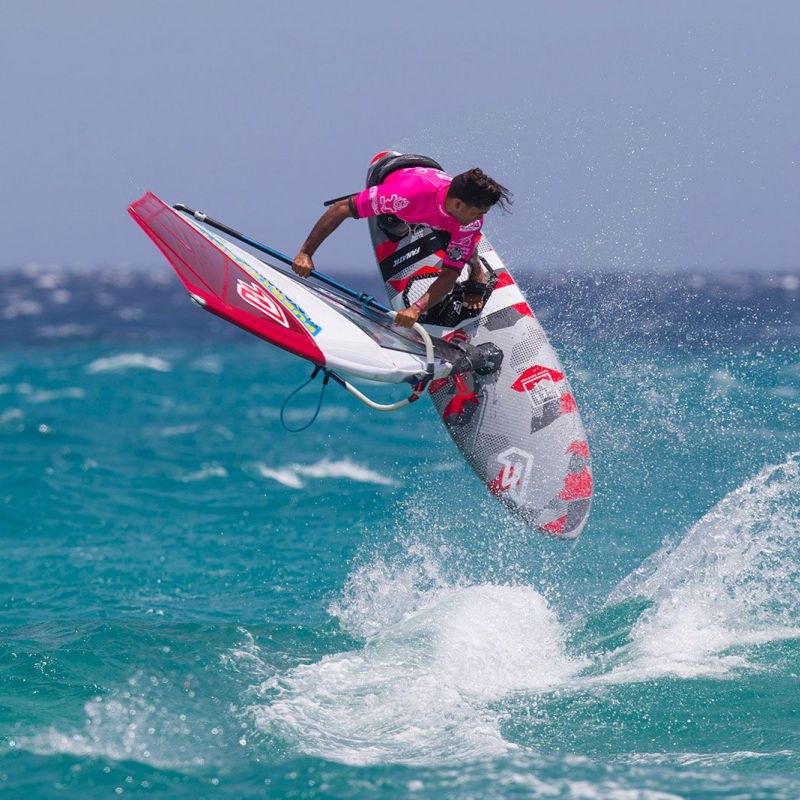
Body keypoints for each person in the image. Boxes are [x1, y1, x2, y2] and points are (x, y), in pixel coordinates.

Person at [292, 164, 512, 327]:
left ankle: (477, 271)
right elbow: (341, 209)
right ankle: (404, 223)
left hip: (437, 185)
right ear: (458, 204)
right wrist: (306, 253)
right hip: (392, 174)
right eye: (477, 212)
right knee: (393, 227)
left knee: (466, 249)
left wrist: (417, 308)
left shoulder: (470, 221)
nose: (479, 218)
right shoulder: (403, 196)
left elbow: (450, 274)